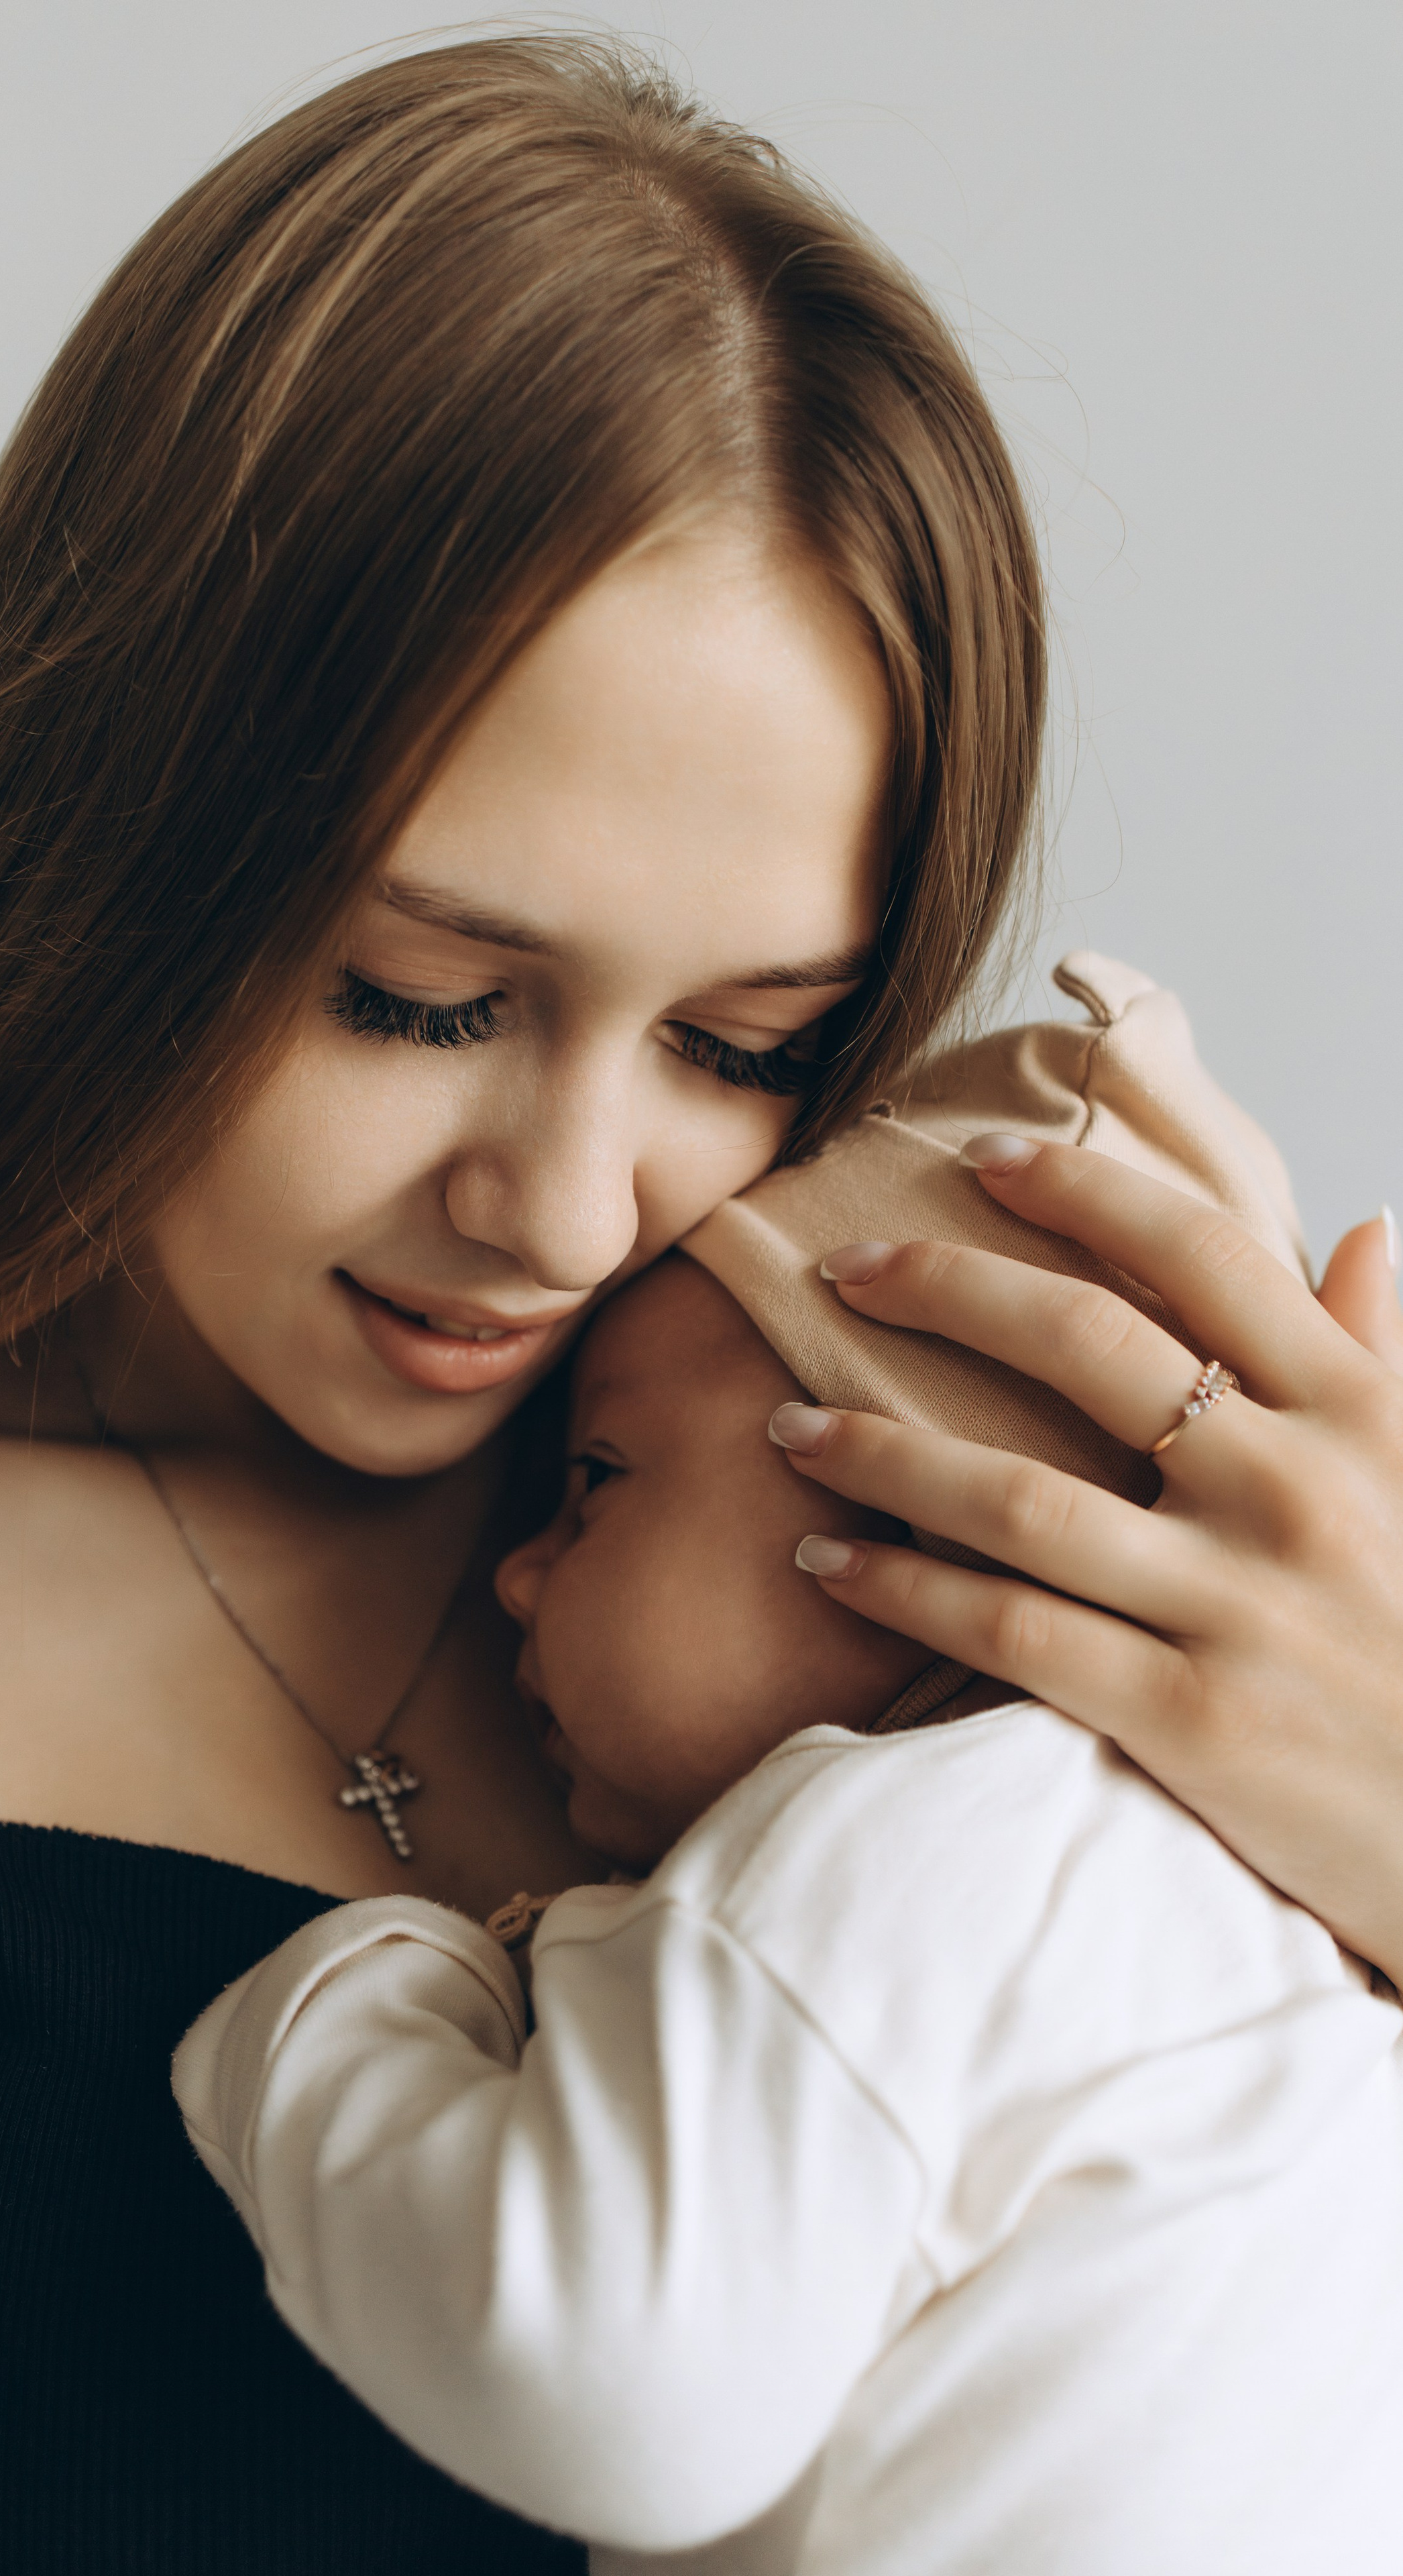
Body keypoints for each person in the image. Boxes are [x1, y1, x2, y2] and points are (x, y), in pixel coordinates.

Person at [0, 28, 1400, 2576]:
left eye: (751, 1049)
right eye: (421, 998)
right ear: (97, 847)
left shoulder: (995, 1581)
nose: (578, 1212)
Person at [171, 970, 1403, 2573]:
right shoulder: (1294, 1952)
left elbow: (609, 2388)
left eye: (597, 1479)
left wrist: (343, 2001)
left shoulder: (912, 1843)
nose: (515, 1577)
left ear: (918, 1519)